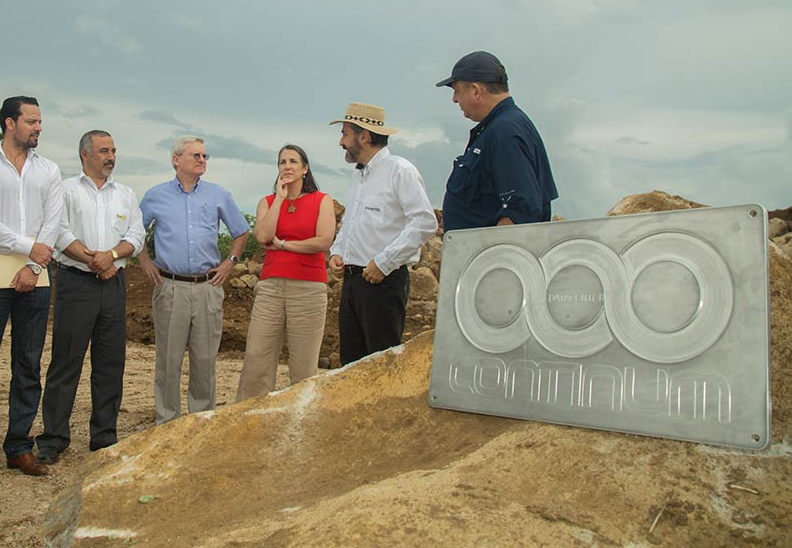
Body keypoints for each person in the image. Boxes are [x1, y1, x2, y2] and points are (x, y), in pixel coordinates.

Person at [0, 96, 63, 485]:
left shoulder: (49, 170)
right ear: (9, 123)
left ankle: (19, 446)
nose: (38, 128)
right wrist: (27, 248)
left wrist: (34, 265)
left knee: (28, 363)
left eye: (40, 122)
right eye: (31, 121)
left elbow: (54, 220)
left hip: (36, 275)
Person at [35, 130, 145, 464]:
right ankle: (53, 438)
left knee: (110, 363)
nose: (111, 156)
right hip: (75, 283)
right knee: (66, 362)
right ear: (85, 155)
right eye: (103, 151)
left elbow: (136, 236)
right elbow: (59, 232)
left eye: (113, 151)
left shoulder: (125, 194)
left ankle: (104, 436)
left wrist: (110, 256)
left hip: (114, 285)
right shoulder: (65, 190)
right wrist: (93, 261)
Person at [139, 135, 249, 424]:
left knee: (204, 361)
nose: (202, 160)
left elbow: (241, 231)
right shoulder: (155, 195)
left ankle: (202, 423)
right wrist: (145, 262)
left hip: (207, 288)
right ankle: (167, 422)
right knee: (168, 361)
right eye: (196, 156)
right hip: (169, 287)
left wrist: (230, 263)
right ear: (177, 159)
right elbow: (134, 233)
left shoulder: (218, 195)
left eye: (205, 156)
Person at [328, 103, 437, 365]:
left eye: (345, 134)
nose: (341, 142)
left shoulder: (400, 171)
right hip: (353, 283)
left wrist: (384, 263)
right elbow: (351, 222)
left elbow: (423, 221)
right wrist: (337, 252)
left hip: (382, 283)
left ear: (364, 136)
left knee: (380, 365)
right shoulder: (358, 176)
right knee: (351, 365)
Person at [236, 145, 335, 401]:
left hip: (308, 290)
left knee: (303, 365)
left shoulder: (322, 200)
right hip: (270, 288)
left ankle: (301, 422)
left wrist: (284, 245)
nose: (287, 166)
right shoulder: (267, 202)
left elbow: (323, 241)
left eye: (293, 161)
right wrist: (280, 199)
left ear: (305, 168)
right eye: (282, 162)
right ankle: (248, 419)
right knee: (257, 357)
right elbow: (263, 236)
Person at [435, 51, 558, 230]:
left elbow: (518, 209)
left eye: (457, 90)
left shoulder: (504, 133)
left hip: (490, 254)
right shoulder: (502, 127)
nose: (455, 99)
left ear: (476, 91)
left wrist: (496, 254)